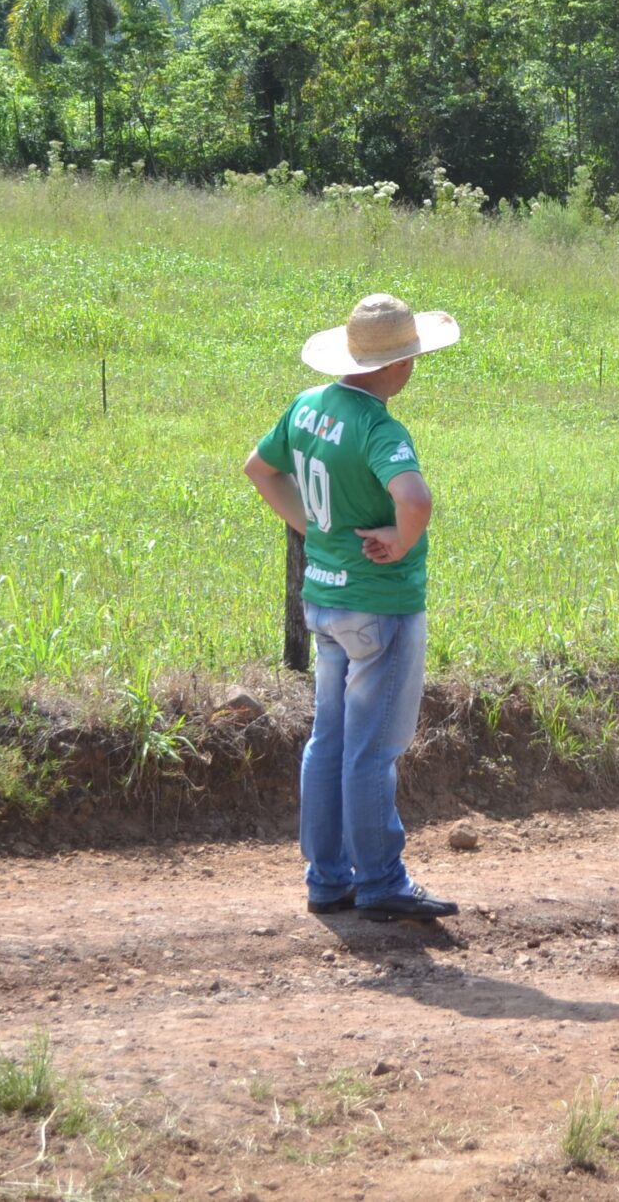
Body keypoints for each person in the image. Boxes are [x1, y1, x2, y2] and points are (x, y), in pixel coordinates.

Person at [243, 293, 463, 921]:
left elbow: (259, 469)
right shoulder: (379, 427)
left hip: (325, 599)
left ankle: (327, 877)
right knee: (372, 748)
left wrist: (312, 529)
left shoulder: (308, 407)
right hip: (379, 605)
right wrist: (402, 537)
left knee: (329, 740)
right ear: (397, 366)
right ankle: (381, 881)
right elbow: (413, 500)